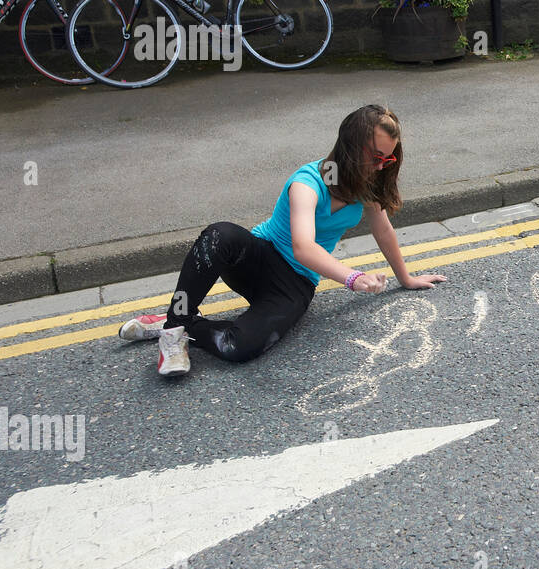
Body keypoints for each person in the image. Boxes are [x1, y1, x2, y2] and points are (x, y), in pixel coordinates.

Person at [117, 106, 447, 377]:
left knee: (238, 348)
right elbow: (303, 246)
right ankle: (173, 331)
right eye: (375, 156)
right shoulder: (308, 182)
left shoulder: (367, 186)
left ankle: (184, 323)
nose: (378, 166)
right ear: (350, 144)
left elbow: (383, 230)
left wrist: (406, 278)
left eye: (386, 160)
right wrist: (354, 278)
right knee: (220, 234)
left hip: (295, 283)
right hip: (259, 258)